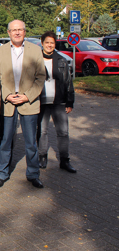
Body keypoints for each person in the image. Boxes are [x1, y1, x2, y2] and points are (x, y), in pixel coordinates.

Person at [0, 20, 46, 189]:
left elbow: (40, 77)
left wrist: (26, 96)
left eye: (20, 30)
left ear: (24, 32)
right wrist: (8, 95)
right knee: (6, 140)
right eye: (13, 30)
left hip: (28, 102)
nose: (16, 33)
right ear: (8, 33)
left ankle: (33, 174)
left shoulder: (35, 50)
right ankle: (1, 173)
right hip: (8, 102)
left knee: (31, 142)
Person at [37, 31, 76, 173]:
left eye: (52, 43)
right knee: (42, 131)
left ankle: (65, 160)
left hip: (58, 101)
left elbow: (68, 82)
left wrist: (70, 101)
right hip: (41, 102)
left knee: (63, 132)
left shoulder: (61, 60)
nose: (49, 45)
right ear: (42, 43)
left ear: (55, 44)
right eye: (47, 42)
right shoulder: (36, 59)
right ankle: (42, 156)